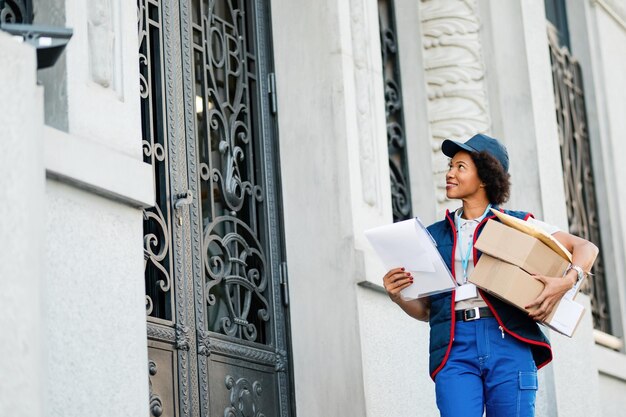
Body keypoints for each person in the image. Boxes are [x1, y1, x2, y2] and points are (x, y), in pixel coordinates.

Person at [382, 134, 598, 417]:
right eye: (450, 166)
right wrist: (398, 297)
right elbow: (426, 311)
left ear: (484, 177)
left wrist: (568, 280)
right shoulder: (431, 237)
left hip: (507, 340)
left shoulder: (519, 224)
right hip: (454, 347)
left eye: (460, 167)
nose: (449, 173)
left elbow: (585, 247)